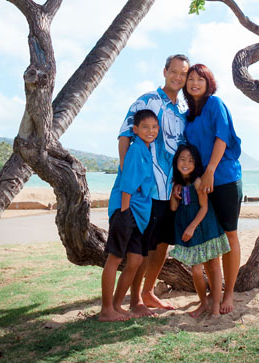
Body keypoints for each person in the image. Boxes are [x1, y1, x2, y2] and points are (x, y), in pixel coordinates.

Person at [117, 53, 189, 315]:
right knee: (143, 247)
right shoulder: (147, 100)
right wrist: (129, 178)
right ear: (165, 71)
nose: (178, 77)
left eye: (183, 73)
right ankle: (135, 299)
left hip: (169, 192)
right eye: (174, 71)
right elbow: (125, 137)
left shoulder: (182, 111)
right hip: (145, 191)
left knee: (161, 246)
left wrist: (181, 182)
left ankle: (148, 292)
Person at [182, 63, 243, 314]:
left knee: (229, 236)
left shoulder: (215, 104)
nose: (195, 83)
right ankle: (211, 297)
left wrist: (209, 172)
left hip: (225, 178)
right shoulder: (187, 116)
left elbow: (222, 138)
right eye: (191, 79)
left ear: (209, 83)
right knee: (210, 239)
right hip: (200, 187)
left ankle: (229, 295)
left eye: (200, 79)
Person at [99, 109, 158, 322]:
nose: (150, 131)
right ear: (135, 130)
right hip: (126, 209)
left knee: (135, 260)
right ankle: (106, 310)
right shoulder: (135, 150)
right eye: (145, 127)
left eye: (154, 127)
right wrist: (123, 213)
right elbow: (127, 185)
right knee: (115, 258)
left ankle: (116, 306)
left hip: (139, 214)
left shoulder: (147, 149)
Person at [169, 144, 230, 318]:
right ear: (176, 162)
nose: (186, 163)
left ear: (196, 163)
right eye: (182, 159)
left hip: (204, 226)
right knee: (196, 270)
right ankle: (203, 303)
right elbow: (174, 208)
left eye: (190, 160)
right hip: (191, 230)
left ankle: (215, 307)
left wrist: (191, 226)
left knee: (213, 265)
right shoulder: (178, 184)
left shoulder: (197, 182)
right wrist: (174, 193)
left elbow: (204, 208)